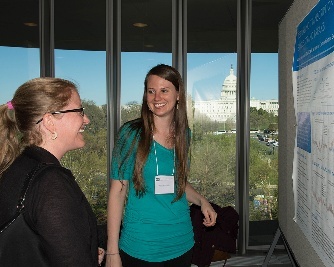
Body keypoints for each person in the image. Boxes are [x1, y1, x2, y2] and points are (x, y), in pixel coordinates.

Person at [106, 64, 217, 267]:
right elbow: (117, 192)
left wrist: (202, 201)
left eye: (164, 90)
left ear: (178, 95)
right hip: (141, 246)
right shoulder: (130, 134)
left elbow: (179, 183)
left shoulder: (184, 135)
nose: (157, 98)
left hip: (181, 242)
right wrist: (112, 251)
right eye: (151, 91)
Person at [0, 77, 105, 266]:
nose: (86, 119)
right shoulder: (51, 183)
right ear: (49, 122)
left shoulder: (19, 165)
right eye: (79, 111)